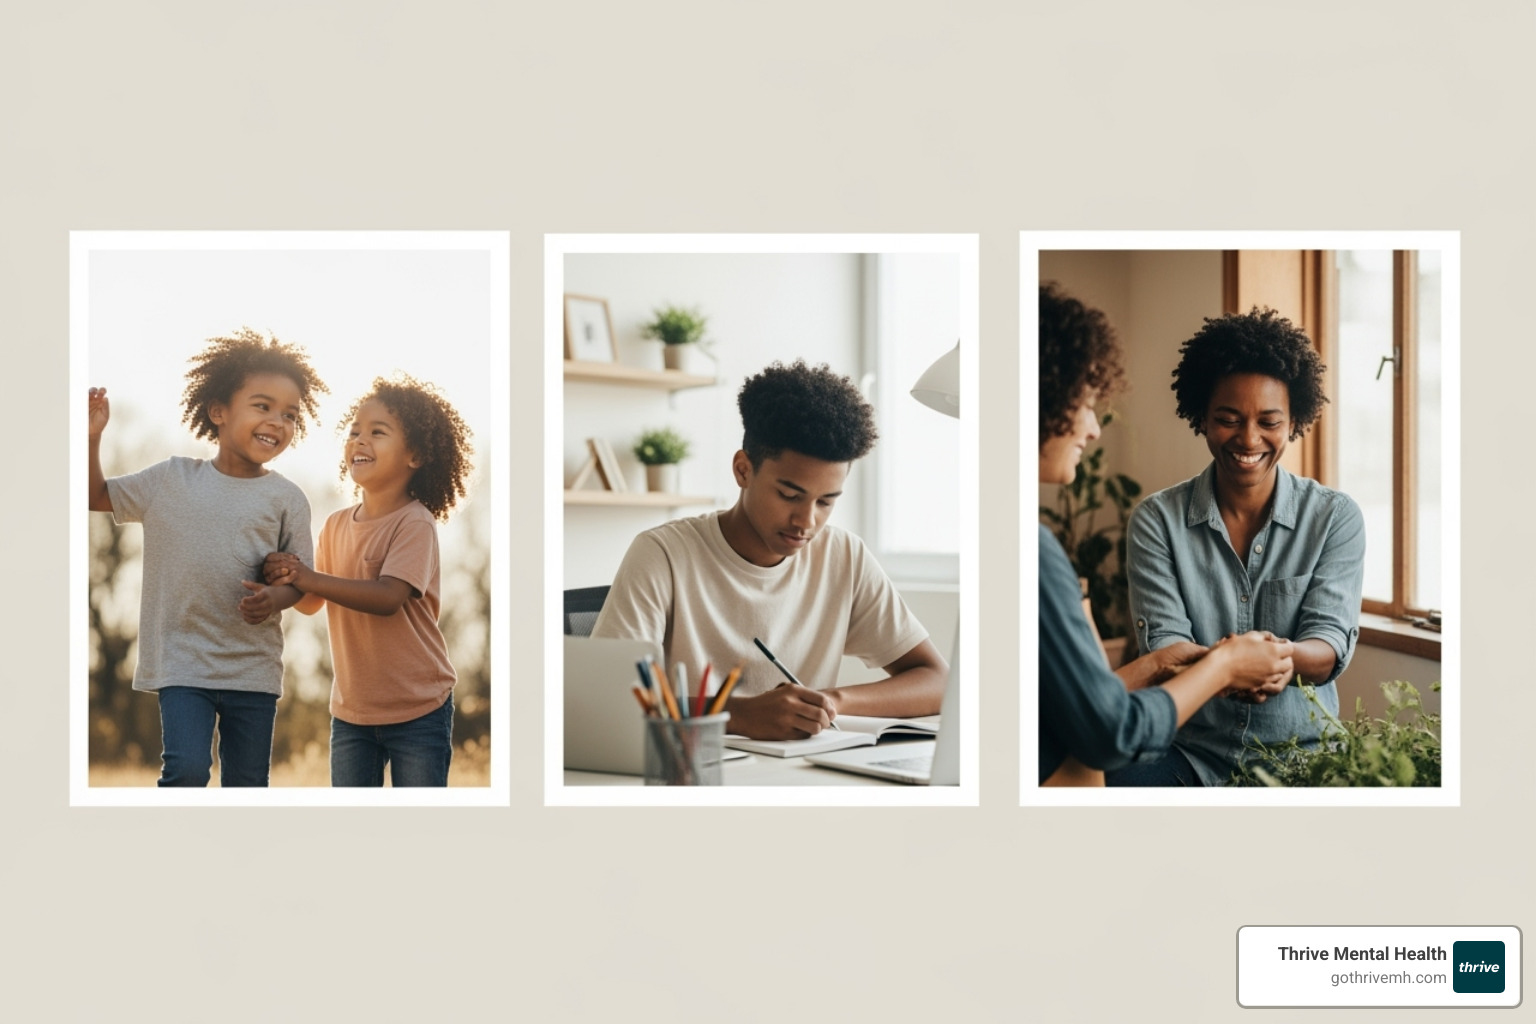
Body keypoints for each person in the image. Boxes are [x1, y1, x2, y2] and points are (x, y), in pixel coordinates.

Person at [591, 359, 947, 741]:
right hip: (688, 775)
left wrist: (830, 701)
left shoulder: (844, 556)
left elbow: (938, 680)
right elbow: (607, 701)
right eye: (789, 495)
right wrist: (737, 715)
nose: (806, 521)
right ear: (743, 470)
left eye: (826, 502)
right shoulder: (661, 554)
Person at [1037, 284, 1296, 785]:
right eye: (1085, 403)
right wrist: (1223, 666)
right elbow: (1111, 731)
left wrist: (1154, 666)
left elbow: (1084, 705)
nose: (1093, 429)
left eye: (1268, 420)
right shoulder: (1036, 552)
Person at [1109, 307, 1365, 786]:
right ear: (1202, 417)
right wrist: (1233, 664)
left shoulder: (1335, 517)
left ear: (1294, 422)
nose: (1249, 439)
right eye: (1228, 419)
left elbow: (1329, 646)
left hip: (1304, 756)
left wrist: (1270, 659)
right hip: (1188, 753)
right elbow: (1165, 647)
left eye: (1269, 421)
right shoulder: (1157, 521)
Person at [87, 328, 327, 787]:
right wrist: (91, 438)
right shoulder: (170, 480)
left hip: (253, 668)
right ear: (218, 410)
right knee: (186, 771)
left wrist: (274, 599)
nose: (278, 421)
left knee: (247, 784)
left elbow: (300, 581)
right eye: (263, 406)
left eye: (290, 414)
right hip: (183, 662)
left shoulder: (287, 498)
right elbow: (95, 494)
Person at [264, 374, 472, 787]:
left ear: (414, 455)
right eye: (354, 431)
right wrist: (282, 582)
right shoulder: (336, 525)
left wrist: (310, 577)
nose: (360, 440)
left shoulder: (415, 523)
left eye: (377, 432)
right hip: (352, 714)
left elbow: (388, 597)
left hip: (419, 707)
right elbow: (311, 600)